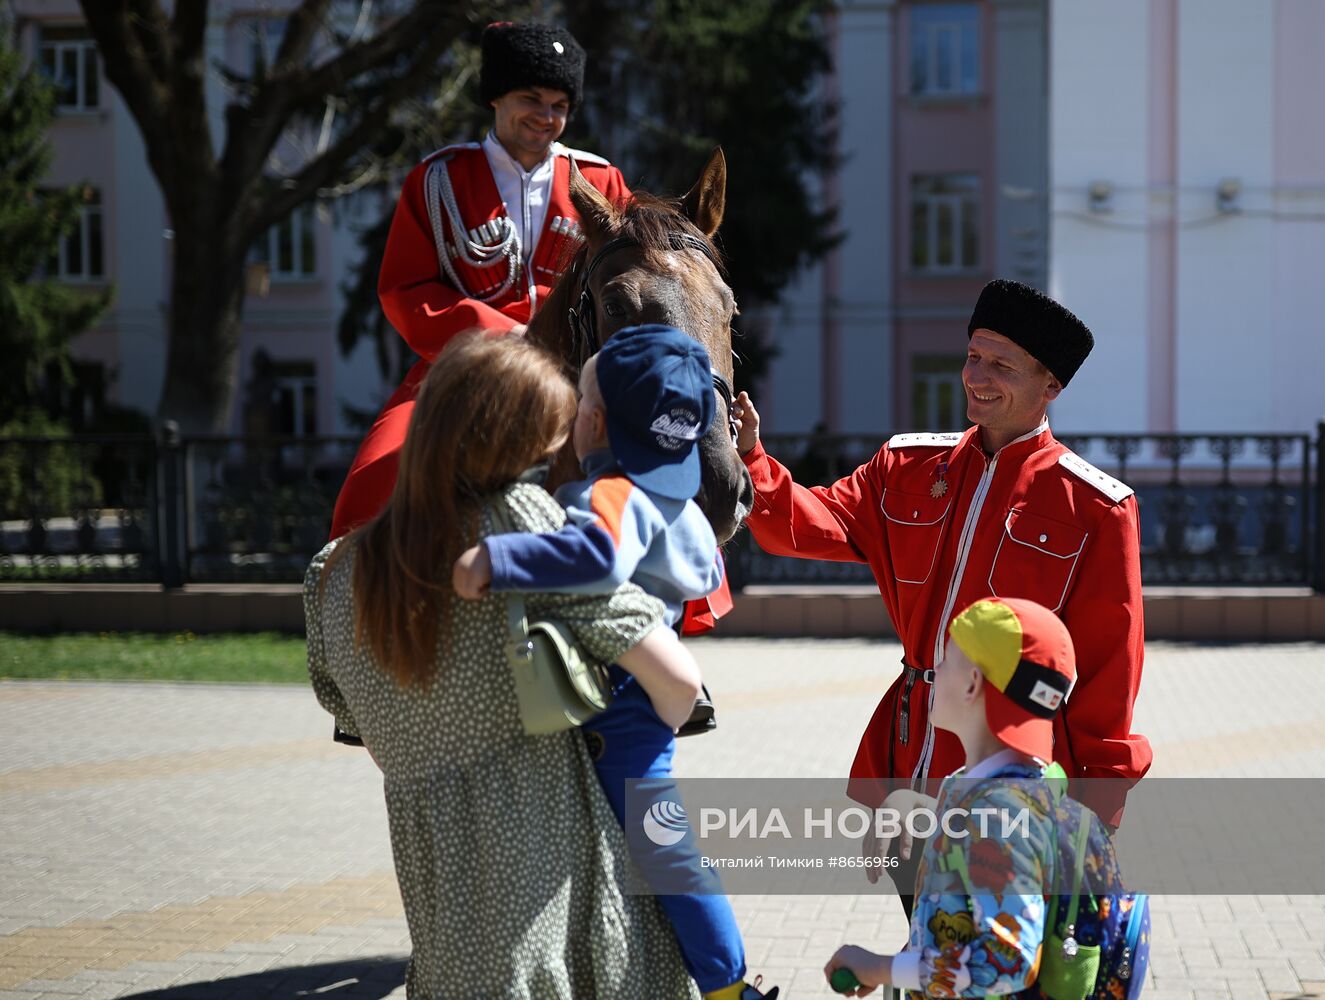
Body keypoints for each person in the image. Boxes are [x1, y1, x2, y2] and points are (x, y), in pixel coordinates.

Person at [304, 332, 703, 998]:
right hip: (558, 883)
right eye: (540, 441)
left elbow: (371, 741)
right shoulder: (517, 521)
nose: (550, 457)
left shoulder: (333, 573)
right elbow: (679, 680)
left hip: (439, 906)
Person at [734, 279, 1151, 906]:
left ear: (1051, 388)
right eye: (973, 357)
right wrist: (753, 458)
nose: (976, 376)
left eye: (1001, 365)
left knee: (998, 964)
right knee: (931, 950)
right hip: (911, 765)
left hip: (1016, 787)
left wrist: (1095, 818)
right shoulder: (904, 468)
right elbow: (802, 524)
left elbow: (1107, 676)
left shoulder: (1095, 507)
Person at [452, 325, 776, 1000]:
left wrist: (497, 559)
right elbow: (703, 569)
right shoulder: (676, 501)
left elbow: (597, 560)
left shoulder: (617, 496)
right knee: (663, 847)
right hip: (644, 709)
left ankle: (726, 985)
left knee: (662, 851)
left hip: (614, 702)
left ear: (591, 422)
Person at [329, 20, 630, 540]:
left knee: (669, 465)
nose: (546, 116)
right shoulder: (437, 177)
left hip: (581, 370)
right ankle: (351, 606)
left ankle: (678, 605)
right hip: (464, 365)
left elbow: (629, 283)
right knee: (372, 483)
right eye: (531, 98)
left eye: (560, 105)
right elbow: (405, 289)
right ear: (495, 98)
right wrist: (497, 333)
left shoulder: (602, 181)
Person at [823, 597, 1072, 997]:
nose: (934, 670)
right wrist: (915, 804)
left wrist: (883, 967)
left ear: (972, 683)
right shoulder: (1037, 781)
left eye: (945, 659)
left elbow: (1006, 963)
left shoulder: (997, 814)